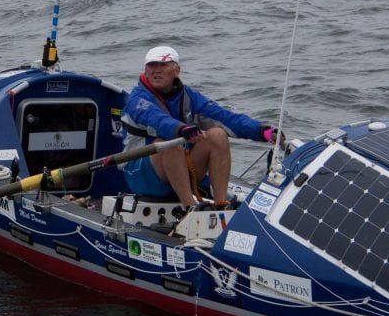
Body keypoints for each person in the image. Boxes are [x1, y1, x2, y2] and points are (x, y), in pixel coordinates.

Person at [121, 45, 282, 209]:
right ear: (146, 71)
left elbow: (226, 118)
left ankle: (220, 205)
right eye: (152, 66)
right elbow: (157, 119)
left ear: (177, 70)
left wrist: (262, 131)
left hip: (178, 170)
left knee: (217, 135)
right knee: (170, 143)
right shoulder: (137, 99)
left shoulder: (190, 97)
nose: (157, 70)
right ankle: (190, 209)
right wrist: (181, 129)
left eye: (163, 65)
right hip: (142, 176)